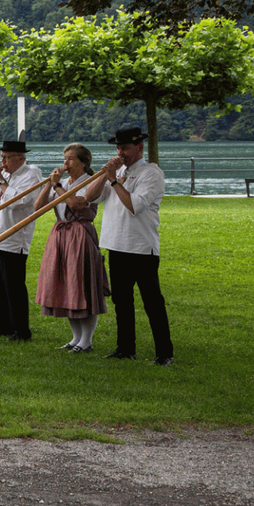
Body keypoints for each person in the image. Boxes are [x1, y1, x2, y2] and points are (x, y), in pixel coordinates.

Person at [83, 126, 173, 365]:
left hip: (141, 247)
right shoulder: (117, 171)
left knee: (152, 302)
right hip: (117, 244)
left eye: (125, 148)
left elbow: (134, 206)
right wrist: (104, 175)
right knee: (121, 301)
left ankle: (164, 353)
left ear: (140, 147)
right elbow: (89, 197)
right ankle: (125, 348)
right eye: (118, 147)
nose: (120, 152)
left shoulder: (151, 173)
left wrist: (113, 180)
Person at [34, 143, 108, 353]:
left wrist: (57, 187)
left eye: (71, 159)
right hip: (60, 236)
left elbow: (77, 203)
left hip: (80, 235)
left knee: (82, 284)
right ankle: (76, 338)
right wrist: (49, 185)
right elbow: (38, 208)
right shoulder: (63, 182)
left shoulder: (91, 182)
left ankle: (87, 340)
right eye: (65, 158)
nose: (65, 163)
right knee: (66, 285)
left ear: (84, 163)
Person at [0, 139, 42, 342]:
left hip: (12, 238)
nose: (2, 161)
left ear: (20, 158)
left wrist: (1, 181)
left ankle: (21, 330)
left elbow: (19, 201)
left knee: (13, 287)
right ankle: (2, 325)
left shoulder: (32, 174)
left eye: (6, 157)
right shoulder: (1, 174)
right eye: (1, 157)